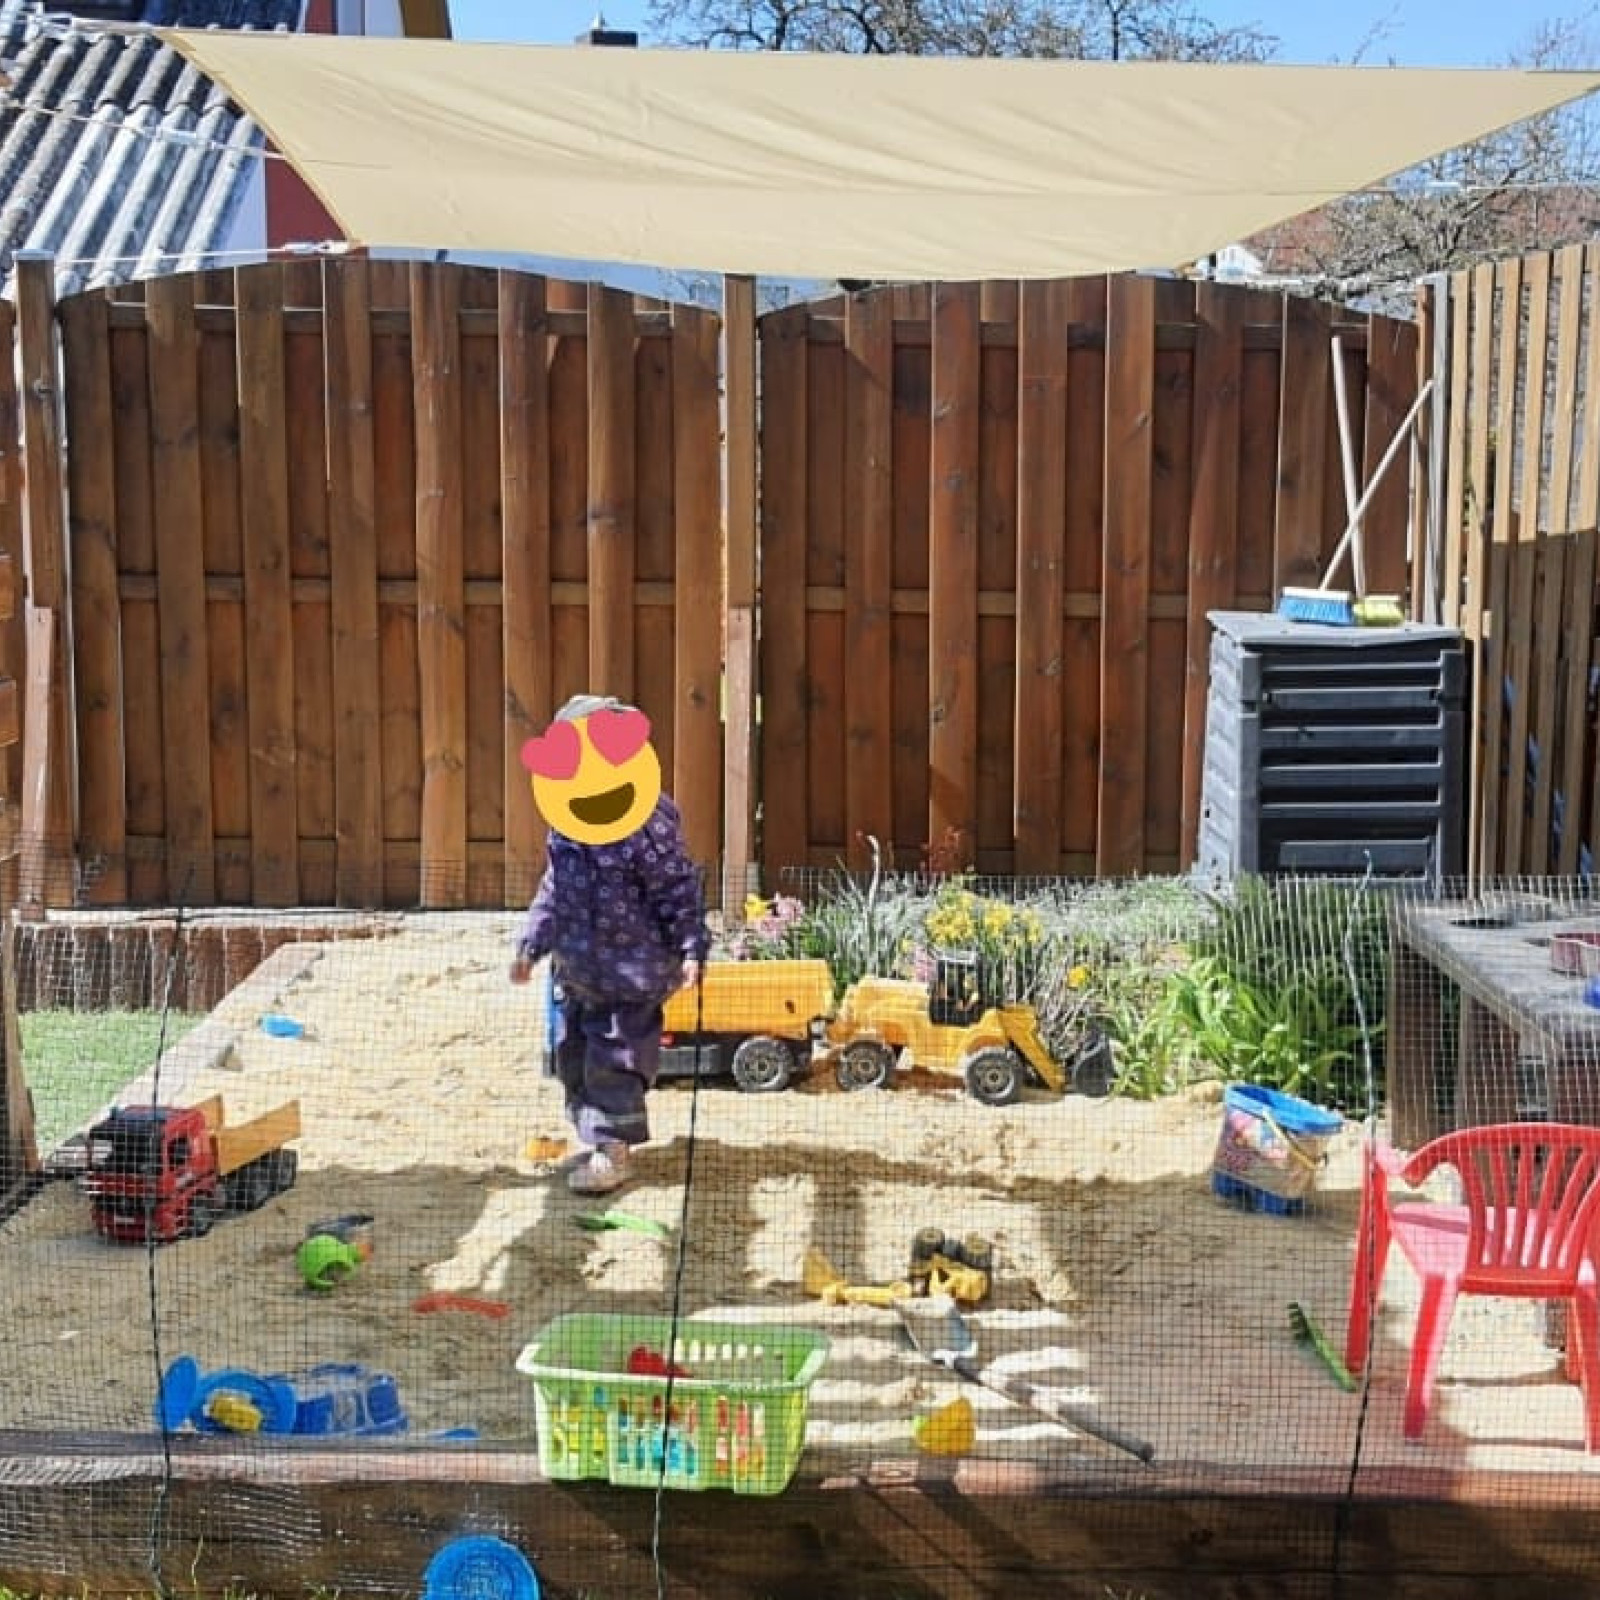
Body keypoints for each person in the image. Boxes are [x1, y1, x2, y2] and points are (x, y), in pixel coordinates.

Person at [509, 693, 709, 1195]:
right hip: (578, 969)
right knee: (571, 1055)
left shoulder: (646, 822)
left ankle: (613, 1150)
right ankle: (598, 1137)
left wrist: (691, 946)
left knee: (614, 1058)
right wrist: (532, 943)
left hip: (632, 970)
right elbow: (555, 888)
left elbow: (676, 887)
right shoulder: (568, 820)